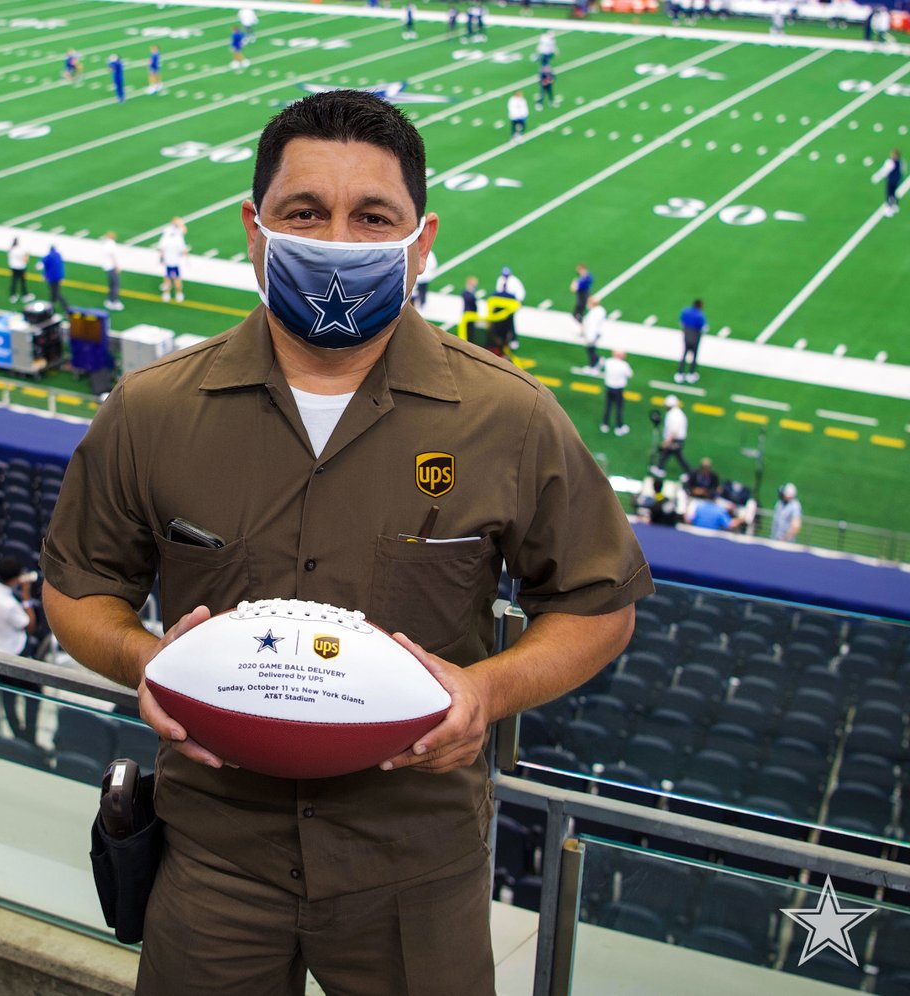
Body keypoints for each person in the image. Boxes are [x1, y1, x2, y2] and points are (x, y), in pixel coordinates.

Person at [40, 89, 651, 995]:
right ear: (255, 231)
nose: (337, 241)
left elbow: (599, 607)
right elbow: (78, 590)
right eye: (304, 213)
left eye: (373, 218)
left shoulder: (509, 418)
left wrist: (484, 690)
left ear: (422, 239)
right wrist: (145, 662)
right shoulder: (153, 409)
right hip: (214, 854)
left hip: (416, 864)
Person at [0, 556, 41, 744]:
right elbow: (30, 626)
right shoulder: (10, 606)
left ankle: (19, 736)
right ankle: (28, 738)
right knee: (35, 694)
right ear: (15, 579)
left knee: (8, 694)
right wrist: (26, 596)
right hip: (13, 654)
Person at [650, 394, 692, 478]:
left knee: (677, 455)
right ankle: (660, 467)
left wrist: (667, 441)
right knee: (666, 453)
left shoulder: (673, 415)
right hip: (676, 439)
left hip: (675, 439)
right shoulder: (677, 412)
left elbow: (674, 431)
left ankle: (689, 472)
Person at [489, 265, 524, 353]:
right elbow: (498, 291)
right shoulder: (500, 280)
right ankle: (500, 340)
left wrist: (517, 303)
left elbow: (521, 293)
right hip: (501, 306)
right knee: (500, 323)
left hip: (510, 307)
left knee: (510, 323)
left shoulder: (514, 281)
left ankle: (513, 340)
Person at [601, 348, 632, 435]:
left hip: (609, 387)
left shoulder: (609, 362)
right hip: (618, 389)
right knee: (619, 408)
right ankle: (619, 427)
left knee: (608, 406)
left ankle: (605, 424)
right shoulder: (624, 365)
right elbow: (629, 374)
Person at [676, 298, 707, 383]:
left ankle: (679, 373)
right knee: (694, 356)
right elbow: (704, 328)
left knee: (684, 354)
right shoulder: (700, 315)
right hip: (695, 337)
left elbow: (681, 322)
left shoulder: (685, 311)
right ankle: (691, 374)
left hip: (686, 336)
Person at [158, 217, 187, 303]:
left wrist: (161, 258)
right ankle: (178, 294)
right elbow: (184, 231)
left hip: (169, 260)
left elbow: (161, 248)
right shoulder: (178, 238)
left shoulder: (167, 236)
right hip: (174, 261)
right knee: (176, 278)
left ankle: (167, 294)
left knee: (167, 278)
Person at [39, 245, 69, 313]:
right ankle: (52, 304)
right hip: (59, 276)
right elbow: (60, 266)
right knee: (54, 292)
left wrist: (45, 276)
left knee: (56, 293)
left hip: (52, 277)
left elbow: (42, 265)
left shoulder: (48, 257)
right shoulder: (58, 255)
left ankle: (66, 307)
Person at [873, 148, 902, 217]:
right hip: (897, 180)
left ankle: (889, 209)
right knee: (893, 193)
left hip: (891, 180)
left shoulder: (890, 162)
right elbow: (902, 171)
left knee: (889, 194)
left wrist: (877, 177)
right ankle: (895, 206)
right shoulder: (901, 162)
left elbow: (884, 171)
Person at [581, 294, 605, 371]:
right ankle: (598, 361)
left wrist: (589, 337)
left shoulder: (594, 313)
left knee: (590, 349)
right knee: (592, 349)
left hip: (593, 334)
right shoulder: (600, 310)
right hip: (596, 333)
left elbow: (592, 326)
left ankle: (594, 365)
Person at [101, 231, 123, 310]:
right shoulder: (111, 244)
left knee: (111, 285)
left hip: (107, 267)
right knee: (115, 285)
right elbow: (113, 256)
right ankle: (113, 301)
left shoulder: (106, 244)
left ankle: (110, 300)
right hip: (112, 267)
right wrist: (117, 266)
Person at [8, 237, 31, 303]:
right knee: (23, 282)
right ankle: (25, 295)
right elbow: (25, 260)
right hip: (20, 268)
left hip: (13, 267)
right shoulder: (20, 250)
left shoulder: (11, 249)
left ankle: (13, 295)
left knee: (14, 281)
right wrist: (28, 254)